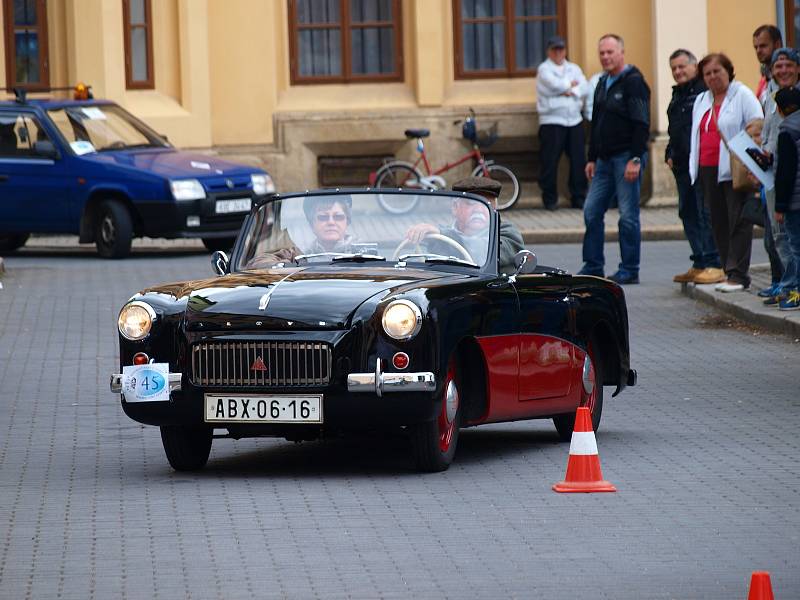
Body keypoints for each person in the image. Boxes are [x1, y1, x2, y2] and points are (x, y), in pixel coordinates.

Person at [579, 34, 650, 284]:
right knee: (591, 211)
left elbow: (642, 123)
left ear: (622, 52)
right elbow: (595, 122)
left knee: (628, 216)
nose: (606, 57)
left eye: (610, 52)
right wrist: (591, 158)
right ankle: (593, 265)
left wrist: (635, 159)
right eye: (602, 53)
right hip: (603, 161)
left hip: (626, 158)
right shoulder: (601, 82)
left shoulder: (634, 82)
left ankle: (630, 269)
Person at [689, 53, 763, 292]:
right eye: (707, 73)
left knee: (738, 219)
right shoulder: (702, 99)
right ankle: (727, 269)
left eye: (716, 71)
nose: (712, 77)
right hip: (708, 168)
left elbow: (757, 126)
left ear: (728, 71)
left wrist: (753, 165)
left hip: (735, 168)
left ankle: (739, 275)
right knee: (718, 221)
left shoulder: (742, 94)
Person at [665, 49, 724, 285]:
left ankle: (713, 263)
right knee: (687, 212)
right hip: (681, 166)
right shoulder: (677, 95)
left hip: (700, 164)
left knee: (704, 213)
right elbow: (674, 131)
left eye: (682, 67)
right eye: (674, 69)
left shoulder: (703, 92)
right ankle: (699, 261)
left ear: (694, 66)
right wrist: (669, 153)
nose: (678, 72)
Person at [404, 176, 524, 273]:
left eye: (486, 204)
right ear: (455, 208)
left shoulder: (507, 233)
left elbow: (485, 252)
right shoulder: (438, 236)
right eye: (471, 203)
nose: (478, 209)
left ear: (494, 209)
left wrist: (442, 234)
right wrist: (417, 235)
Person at [758, 47, 800, 306]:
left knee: (791, 237)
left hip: (789, 182)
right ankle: (786, 282)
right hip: (772, 174)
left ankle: (792, 286)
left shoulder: (793, 108)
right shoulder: (770, 97)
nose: (783, 70)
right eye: (778, 66)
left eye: (788, 65)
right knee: (777, 235)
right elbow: (766, 132)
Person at [536, 35, 588, 210]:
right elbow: (553, 85)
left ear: (565, 50)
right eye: (554, 49)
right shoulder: (544, 69)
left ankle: (579, 197)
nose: (558, 52)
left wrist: (568, 90)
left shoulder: (574, 68)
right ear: (549, 51)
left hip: (574, 120)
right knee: (550, 162)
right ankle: (550, 199)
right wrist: (569, 86)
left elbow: (584, 87)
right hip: (552, 121)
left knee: (578, 161)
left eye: (561, 49)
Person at [753, 24, 787, 294]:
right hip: (768, 166)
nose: (758, 52)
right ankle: (779, 281)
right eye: (755, 47)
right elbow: (767, 125)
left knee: (784, 233)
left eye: (763, 46)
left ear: (777, 44)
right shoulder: (766, 83)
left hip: (783, 166)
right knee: (772, 236)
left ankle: (787, 283)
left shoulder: (785, 88)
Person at [773, 86, 800, 310]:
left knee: (796, 247)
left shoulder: (786, 130)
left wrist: (780, 205)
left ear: (781, 110)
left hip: (794, 201)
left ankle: (796, 292)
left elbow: (785, 172)